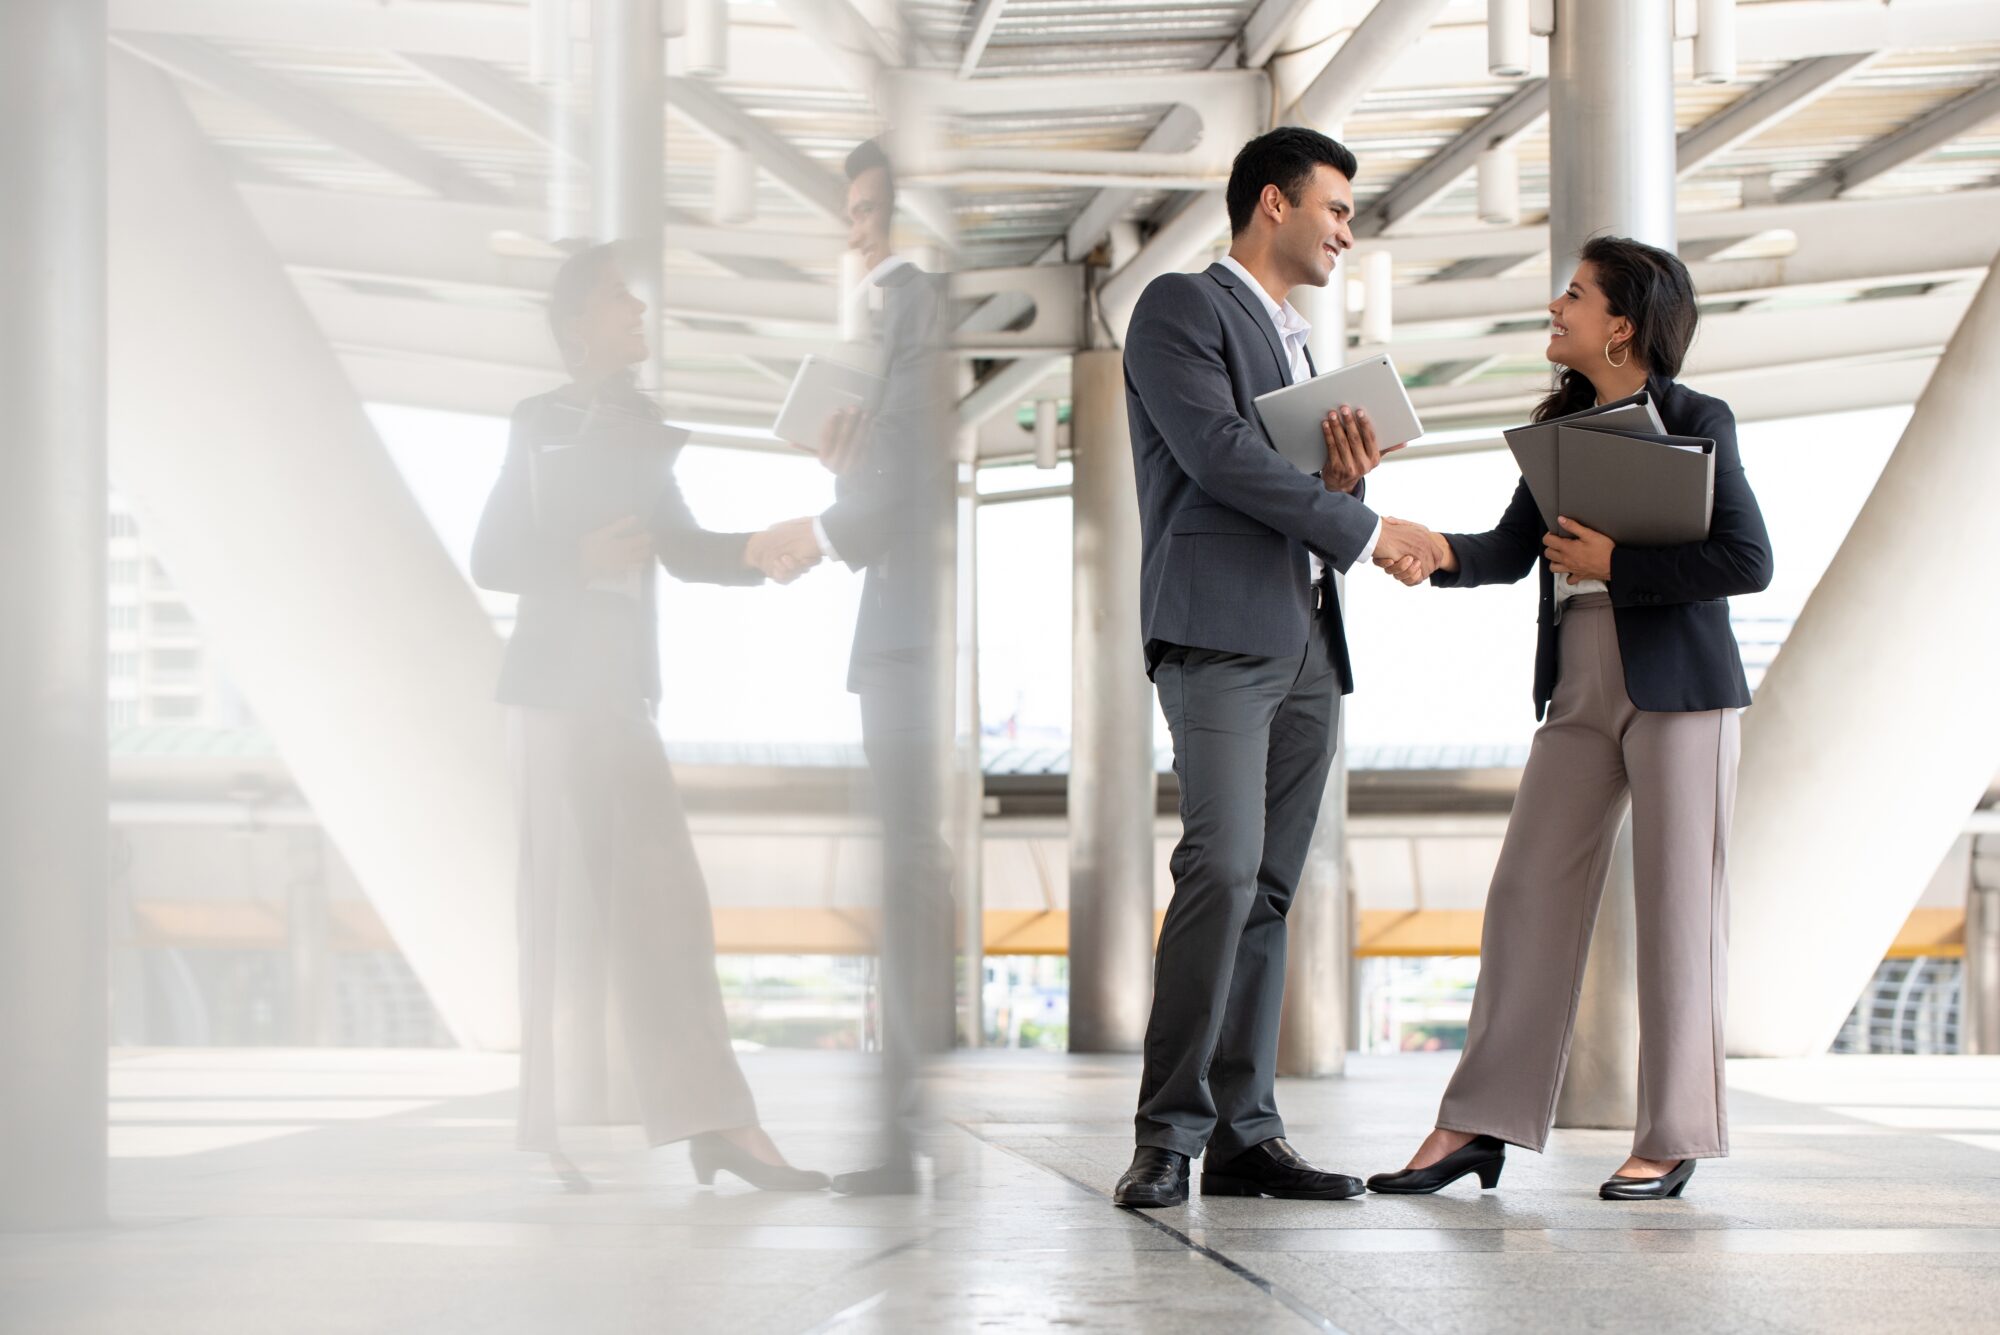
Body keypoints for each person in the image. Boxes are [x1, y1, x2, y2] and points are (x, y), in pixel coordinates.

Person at [1366, 236, 1773, 1202]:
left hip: (1680, 687)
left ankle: (1672, 1135)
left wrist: (1617, 564)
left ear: (1622, 323)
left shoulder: (1697, 418)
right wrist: (1435, 551)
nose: (1558, 305)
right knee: (1524, 896)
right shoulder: (1557, 429)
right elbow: (1511, 550)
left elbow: (1747, 559)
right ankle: (1477, 1121)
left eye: (1577, 295)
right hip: (1578, 684)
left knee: (1679, 912)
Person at [1110, 126, 1433, 1210]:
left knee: (1271, 890)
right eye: (1335, 208)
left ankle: (1245, 1134)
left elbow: (1289, 489)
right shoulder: (1178, 307)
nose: (1347, 228)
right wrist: (1366, 527)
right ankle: (1166, 1134)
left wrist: (1346, 487)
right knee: (1222, 866)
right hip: (1216, 632)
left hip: (1304, 639)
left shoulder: (1298, 342)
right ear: (1270, 205)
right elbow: (1216, 457)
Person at [471, 242, 827, 1194]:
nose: (637, 311)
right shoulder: (536, 421)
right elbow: (492, 556)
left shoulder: (641, 428)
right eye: (619, 300)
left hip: (616, 693)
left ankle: (716, 1121)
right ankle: (554, 1132)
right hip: (547, 692)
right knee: (549, 913)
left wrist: (761, 549)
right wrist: (576, 554)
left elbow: (681, 548)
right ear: (578, 323)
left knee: (668, 911)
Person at [747, 139, 958, 1196]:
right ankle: (902, 1117)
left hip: (910, 638)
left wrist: (826, 526)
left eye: (871, 208)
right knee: (904, 868)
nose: (857, 229)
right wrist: (849, 462)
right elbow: (900, 459)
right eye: (852, 211)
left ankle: (902, 1121)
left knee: (906, 870)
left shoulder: (917, 310)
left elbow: (911, 474)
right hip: (898, 633)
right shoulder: (896, 330)